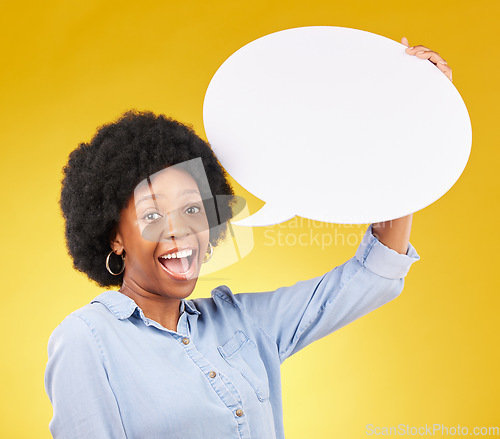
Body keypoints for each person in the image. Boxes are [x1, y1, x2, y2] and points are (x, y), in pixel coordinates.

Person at [44, 39, 450, 438]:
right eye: (152, 214)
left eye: (192, 209)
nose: (179, 229)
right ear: (115, 237)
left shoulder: (241, 322)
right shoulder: (87, 339)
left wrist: (414, 110)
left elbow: (372, 275)